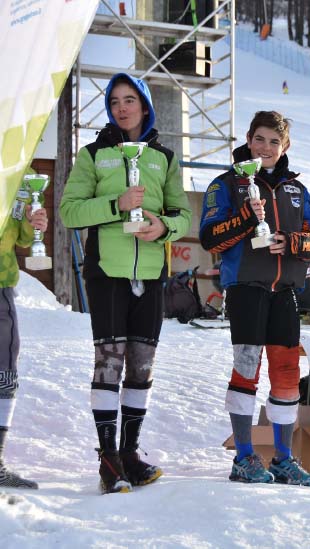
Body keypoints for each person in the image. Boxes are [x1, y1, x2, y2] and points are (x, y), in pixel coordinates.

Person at [60, 73, 192, 494]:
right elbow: (69, 212)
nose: (122, 107)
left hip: (151, 274)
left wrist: (163, 227)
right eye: (114, 100)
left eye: (130, 99)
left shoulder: (165, 158)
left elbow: (182, 215)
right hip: (107, 273)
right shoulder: (93, 154)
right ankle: (107, 459)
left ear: (145, 104)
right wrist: (117, 205)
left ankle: (130, 454)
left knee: (141, 366)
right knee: (109, 363)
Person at [199, 111, 310, 486]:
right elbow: (209, 238)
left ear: (285, 147)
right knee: (248, 368)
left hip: (285, 291)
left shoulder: (297, 190)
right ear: (248, 139)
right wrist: (243, 220)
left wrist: (293, 243)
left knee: (286, 373)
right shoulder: (225, 184)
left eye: (274, 142)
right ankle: (244, 457)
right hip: (246, 288)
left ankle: (284, 459)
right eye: (260, 139)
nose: (266, 148)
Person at [0, 174, 49, 489]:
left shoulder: (22, 164)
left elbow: (22, 237)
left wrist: (35, 222)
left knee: (4, 371)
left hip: (1, 283)